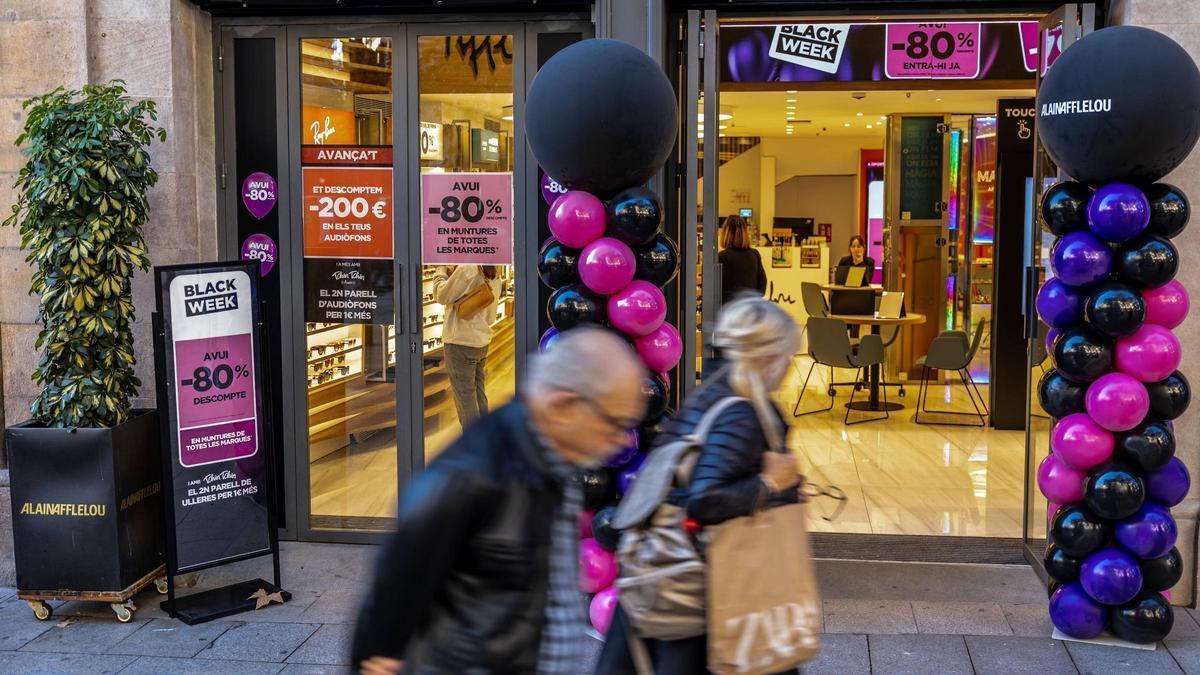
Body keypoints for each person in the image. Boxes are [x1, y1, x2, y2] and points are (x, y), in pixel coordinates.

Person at [352, 328, 647, 675]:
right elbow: (388, 604)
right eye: (614, 423)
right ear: (563, 405)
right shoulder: (474, 476)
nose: (620, 440)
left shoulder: (552, 461)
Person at [595, 296, 804, 675]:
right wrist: (771, 484)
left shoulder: (710, 393)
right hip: (709, 585)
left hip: (676, 577)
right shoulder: (742, 411)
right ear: (769, 358)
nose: (791, 365)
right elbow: (704, 500)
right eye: (789, 355)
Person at [432, 264, 504, 425]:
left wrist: (440, 271)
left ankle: (473, 444)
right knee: (478, 393)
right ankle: (485, 440)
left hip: (459, 342)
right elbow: (491, 318)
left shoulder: (467, 269)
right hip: (480, 341)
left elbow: (441, 296)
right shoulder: (494, 273)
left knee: (465, 398)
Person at [717, 215, 767, 304]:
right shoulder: (754, 254)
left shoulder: (723, 256)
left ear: (726, 233)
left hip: (731, 309)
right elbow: (763, 283)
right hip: (751, 308)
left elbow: (717, 289)